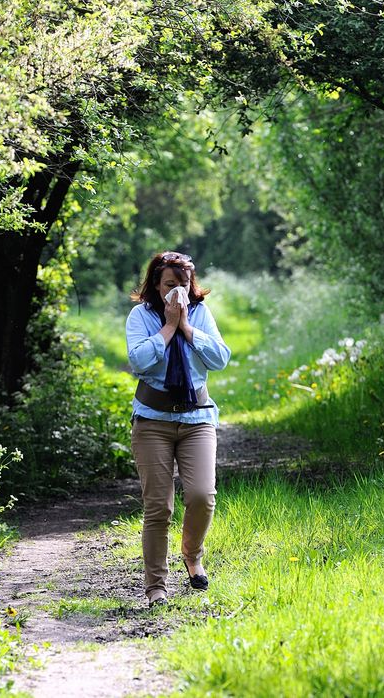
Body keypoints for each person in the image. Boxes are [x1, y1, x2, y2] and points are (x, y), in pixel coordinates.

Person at [125, 251, 231, 607]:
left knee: (202, 496)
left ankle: (192, 555)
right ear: (156, 285)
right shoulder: (141, 316)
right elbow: (139, 361)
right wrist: (168, 327)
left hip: (196, 418)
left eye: (183, 285)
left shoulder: (200, 313)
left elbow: (219, 358)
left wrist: (187, 327)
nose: (178, 293)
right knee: (158, 507)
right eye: (170, 285)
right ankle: (155, 586)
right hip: (153, 420)